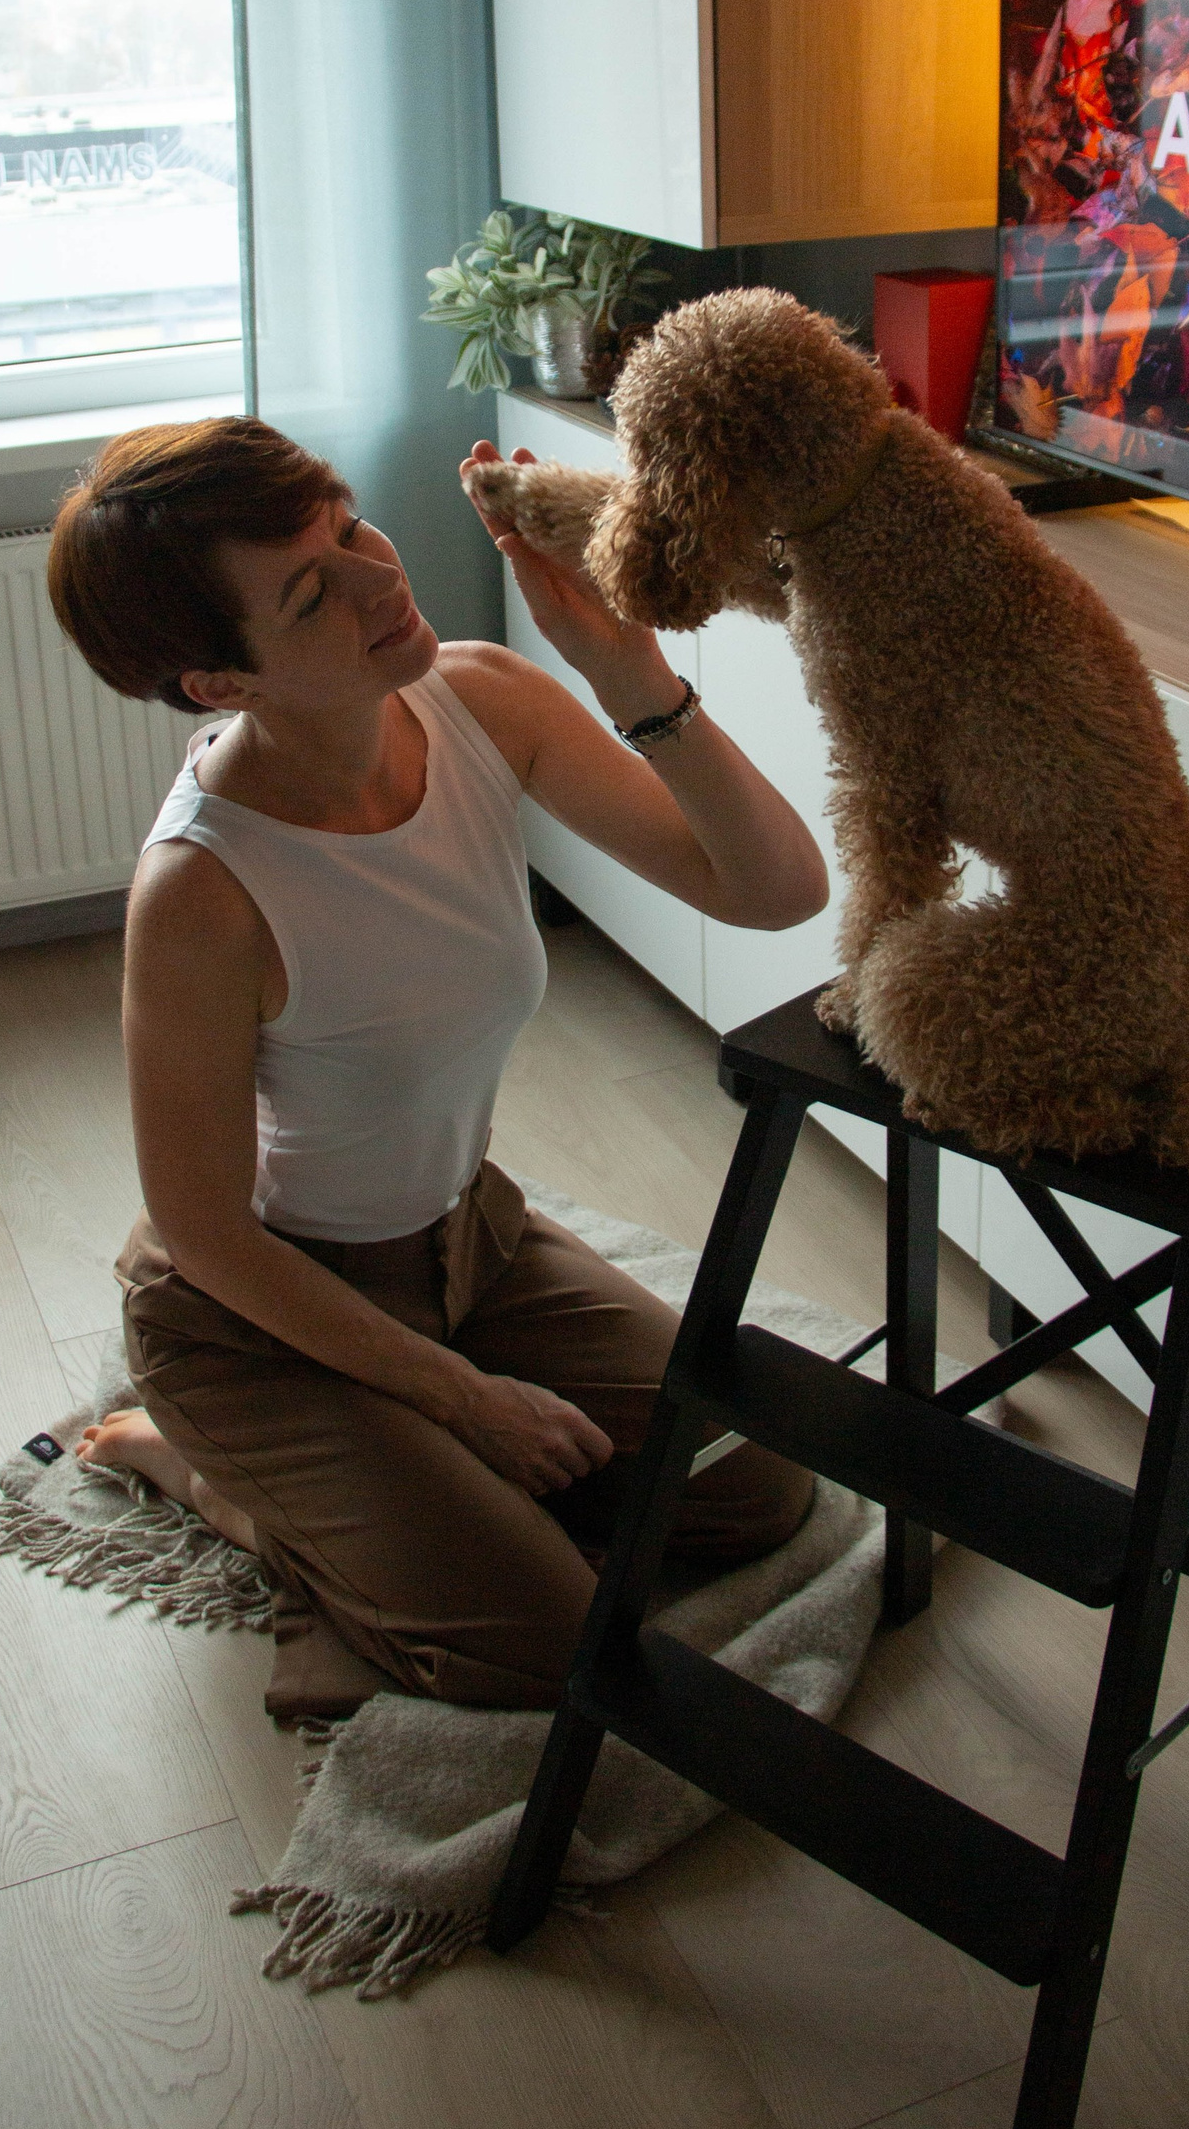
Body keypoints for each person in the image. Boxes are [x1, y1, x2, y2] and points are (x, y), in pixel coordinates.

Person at [44, 415, 825, 1713]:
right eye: (311, 594)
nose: (376, 575)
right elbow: (207, 1233)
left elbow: (776, 891)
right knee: (555, 1647)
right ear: (218, 684)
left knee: (753, 1489)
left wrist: (626, 667)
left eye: (351, 522)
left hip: (470, 1245)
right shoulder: (200, 892)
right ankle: (215, 1478)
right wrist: (468, 1404)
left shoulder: (481, 702)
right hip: (261, 1315)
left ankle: (397, 1491)